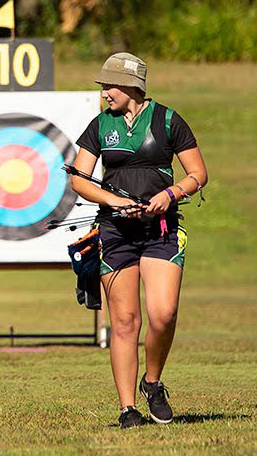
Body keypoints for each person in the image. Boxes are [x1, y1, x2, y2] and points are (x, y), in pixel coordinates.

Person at [67, 52, 208, 428]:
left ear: (131, 86)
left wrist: (170, 194)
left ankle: (152, 382)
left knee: (164, 314)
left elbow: (198, 174)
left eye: (109, 86)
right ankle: (127, 408)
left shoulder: (168, 120)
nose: (104, 94)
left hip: (160, 231)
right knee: (125, 322)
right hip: (115, 232)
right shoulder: (100, 125)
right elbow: (79, 178)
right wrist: (115, 201)